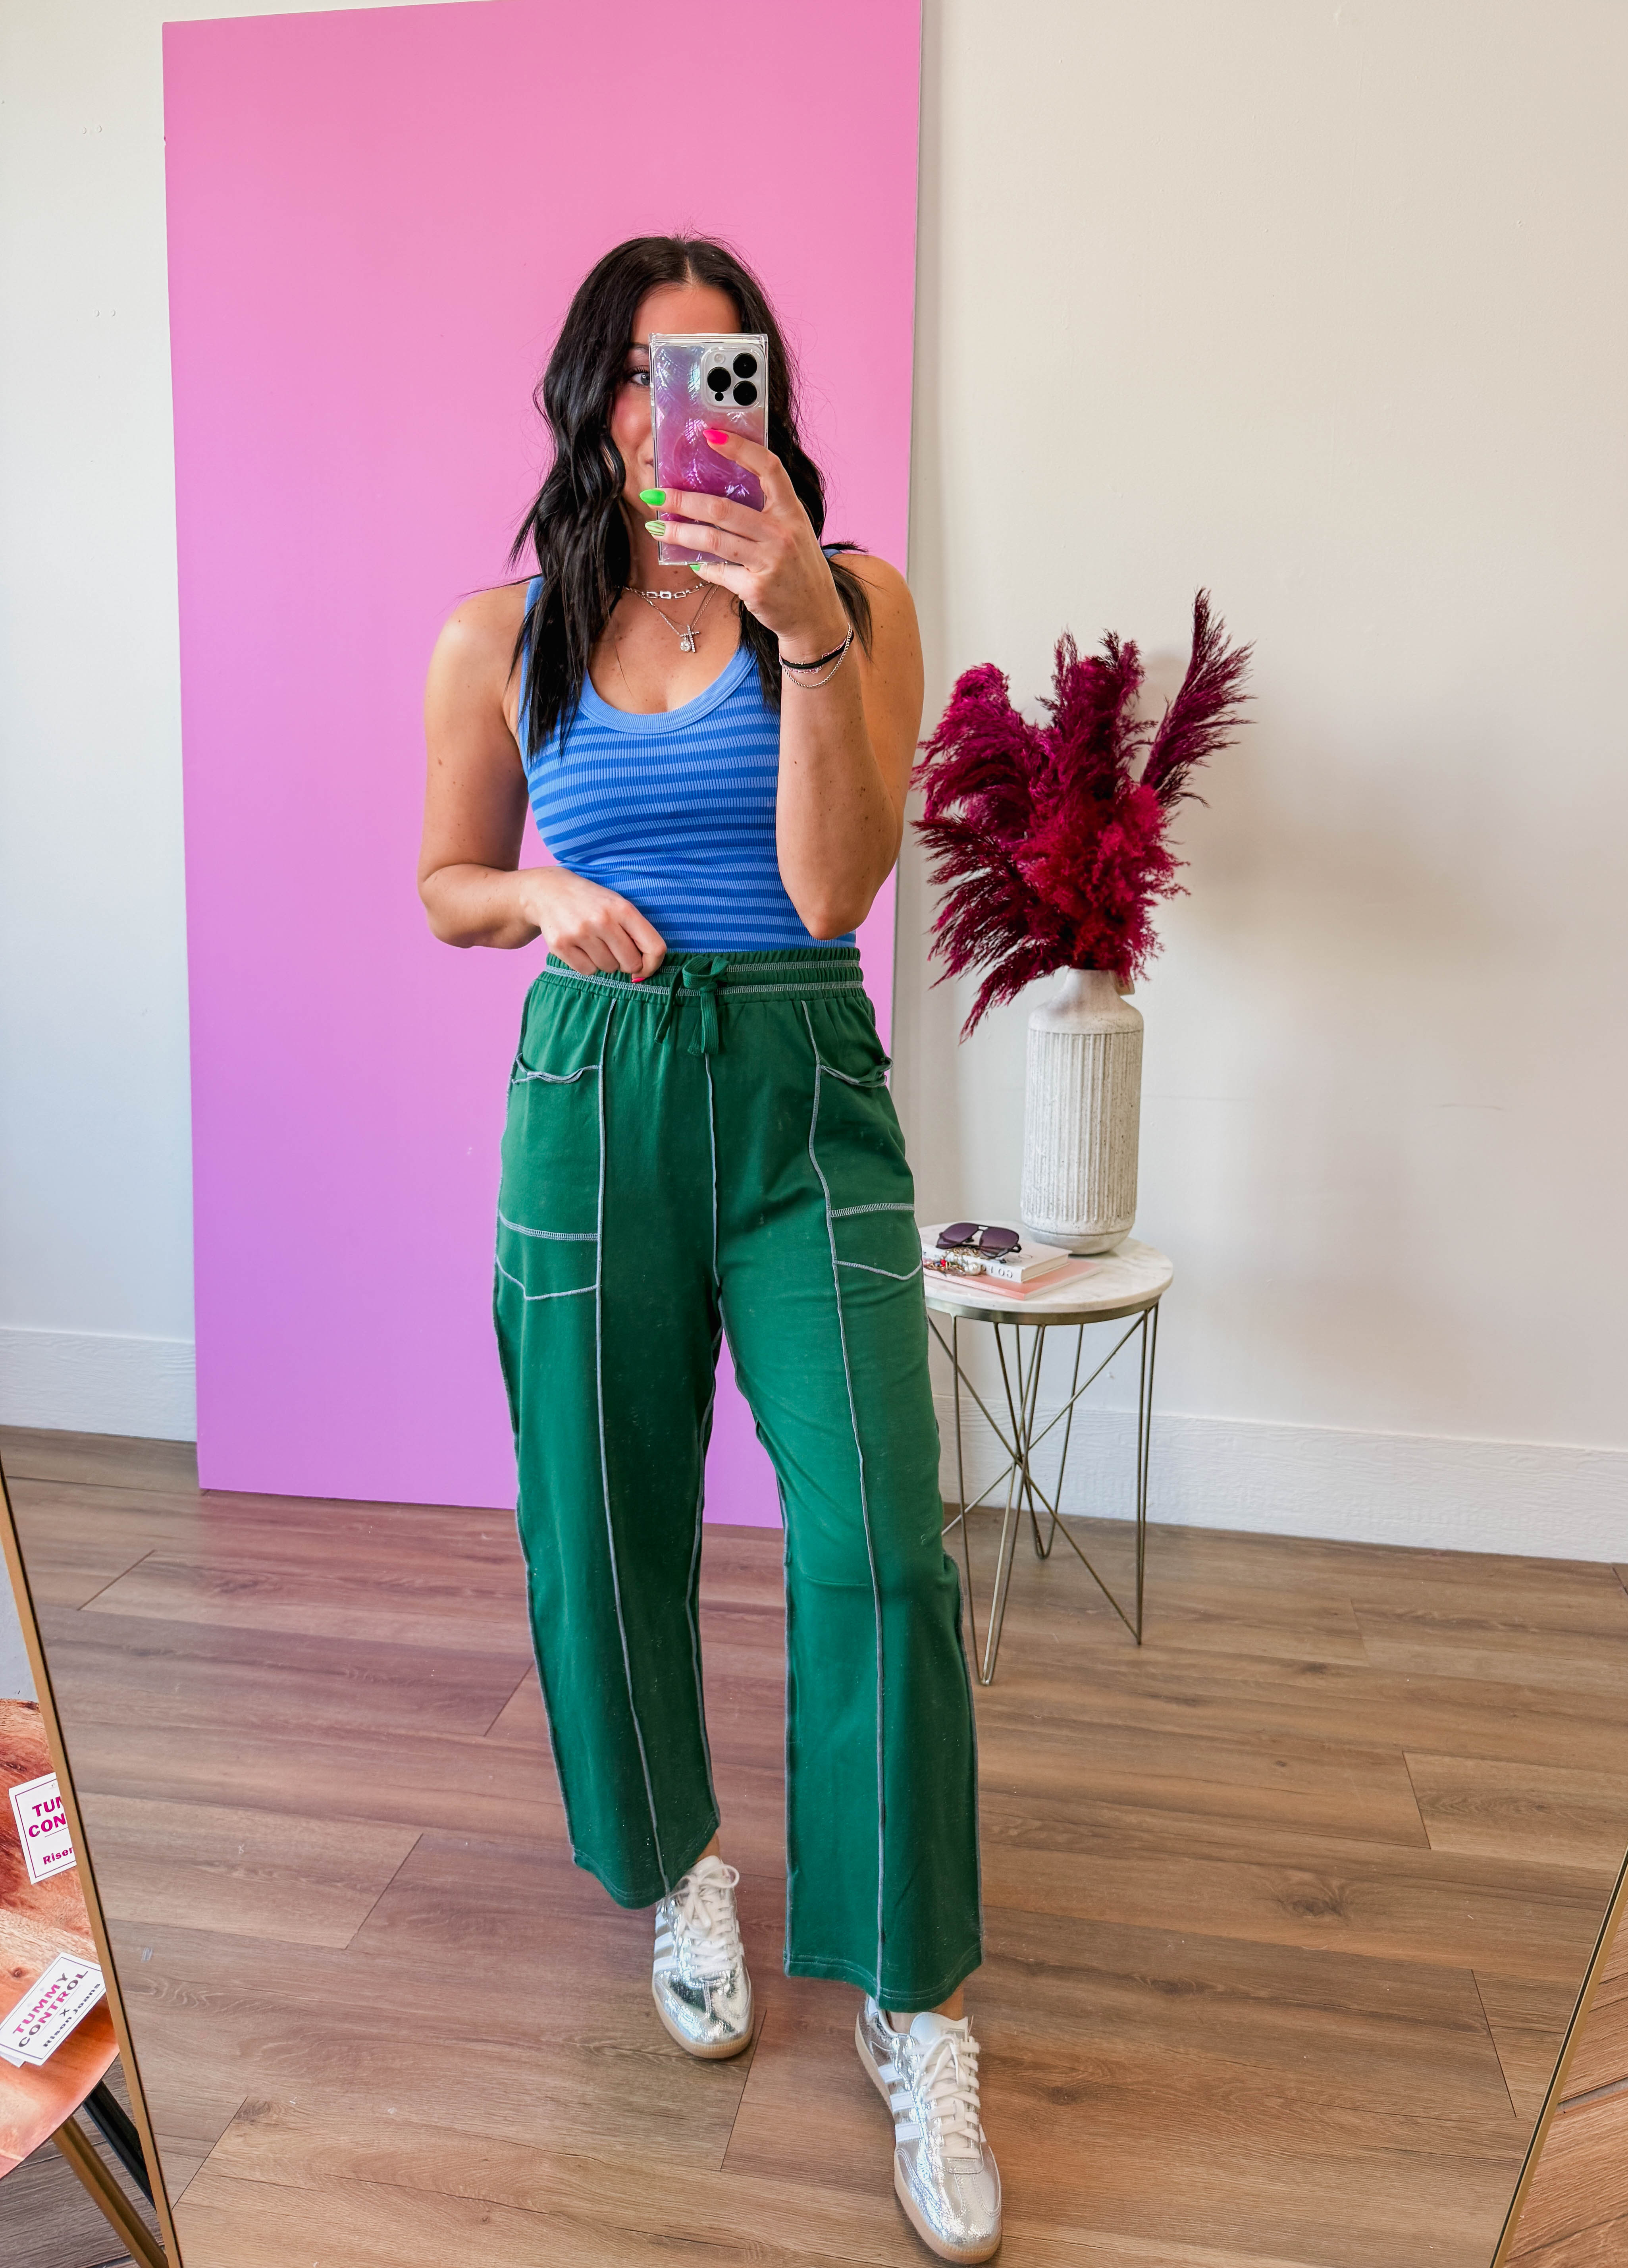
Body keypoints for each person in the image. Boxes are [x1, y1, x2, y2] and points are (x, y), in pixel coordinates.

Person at [418, 235, 998, 2263]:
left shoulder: (858, 600)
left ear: (759, 398)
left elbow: (833, 893)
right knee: (599, 1523)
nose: (677, 410)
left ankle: (915, 2001)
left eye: (716, 371)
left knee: (883, 1545)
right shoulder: (501, 632)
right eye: (642, 373)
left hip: (802, 1084)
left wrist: (805, 619)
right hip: (592, 1086)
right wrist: (537, 900)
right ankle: (680, 1872)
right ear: (589, 399)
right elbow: (446, 878)